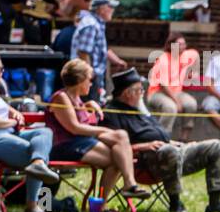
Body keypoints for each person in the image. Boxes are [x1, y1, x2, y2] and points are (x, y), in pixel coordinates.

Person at [103, 68, 220, 212]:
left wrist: (172, 142)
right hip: (145, 162)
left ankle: (215, 205)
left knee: (216, 146)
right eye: (139, 90)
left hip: (169, 150)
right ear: (127, 93)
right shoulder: (113, 113)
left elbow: (157, 133)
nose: (142, 93)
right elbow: (113, 145)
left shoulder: (139, 109)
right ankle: (175, 204)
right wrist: (143, 146)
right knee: (170, 151)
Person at [49, 59, 149, 204]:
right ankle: (128, 185)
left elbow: (84, 124)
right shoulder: (61, 98)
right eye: (90, 80)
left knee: (119, 148)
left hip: (81, 143)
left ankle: (107, 201)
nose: (91, 83)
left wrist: (88, 106)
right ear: (80, 79)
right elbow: (74, 127)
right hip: (64, 146)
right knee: (118, 151)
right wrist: (104, 130)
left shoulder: (78, 99)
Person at [0, 58, 59, 212]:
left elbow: (1, 106)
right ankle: (33, 206)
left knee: (44, 132)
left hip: (11, 133)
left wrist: (13, 111)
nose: (2, 73)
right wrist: (13, 121)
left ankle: (38, 163)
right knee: (32, 152)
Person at [70, 0, 125, 102]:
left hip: (92, 75)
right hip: (87, 76)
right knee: (89, 108)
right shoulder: (91, 25)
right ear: (101, 9)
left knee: (94, 107)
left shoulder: (96, 23)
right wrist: (88, 76)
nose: (112, 10)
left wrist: (117, 61)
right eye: (110, 7)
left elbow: (101, 48)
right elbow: (83, 53)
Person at [147, 31, 200, 140]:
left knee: (191, 104)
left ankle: (183, 139)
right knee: (171, 107)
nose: (183, 47)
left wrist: (193, 72)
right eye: (179, 45)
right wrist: (177, 102)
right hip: (157, 93)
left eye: (184, 44)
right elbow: (163, 85)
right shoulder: (163, 59)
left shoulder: (186, 55)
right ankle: (161, 138)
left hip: (177, 92)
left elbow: (195, 54)